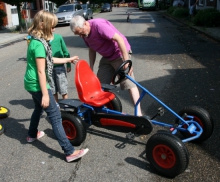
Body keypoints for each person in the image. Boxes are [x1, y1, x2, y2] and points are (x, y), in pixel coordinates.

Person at [24, 10, 89, 162]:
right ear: (42, 25)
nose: (54, 29)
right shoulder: (39, 44)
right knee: (55, 116)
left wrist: (68, 59)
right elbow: (41, 71)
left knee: (38, 108)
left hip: (29, 83)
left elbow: (49, 59)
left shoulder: (35, 40)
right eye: (52, 26)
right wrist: (46, 94)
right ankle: (69, 152)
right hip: (37, 84)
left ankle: (32, 135)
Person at [70, 16, 143, 116]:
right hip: (107, 57)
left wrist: (126, 61)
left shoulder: (99, 26)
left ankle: (138, 113)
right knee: (98, 85)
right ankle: (99, 109)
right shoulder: (85, 35)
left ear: (86, 24)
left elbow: (119, 39)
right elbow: (92, 49)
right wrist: (91, 67)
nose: (81, 36)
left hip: (119, 54)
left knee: (129, 83)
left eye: (81, 33)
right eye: (78, 34)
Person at [49, 21, 71, 107]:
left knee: (63, 87)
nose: (53, 28)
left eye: (54, 26)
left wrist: (68, 64)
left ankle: (67, 105)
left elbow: (65, 52)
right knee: (52, 88)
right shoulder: (43, 40)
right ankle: (56, 106)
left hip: (59, 67)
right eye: (51, 26)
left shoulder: (58, 38)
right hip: (49, 68)